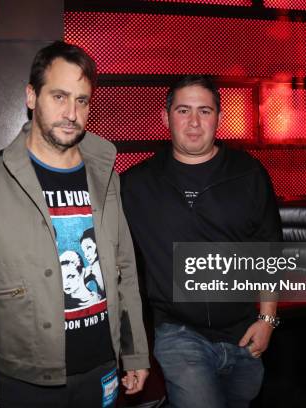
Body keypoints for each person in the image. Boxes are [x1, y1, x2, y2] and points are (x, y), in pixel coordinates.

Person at [0, 41, 149, 408]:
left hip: (101, 368)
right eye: (59, 96)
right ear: (31, 96)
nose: (71, 113)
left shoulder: (105, 173)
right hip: (25, 379)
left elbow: (124, 271)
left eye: (82, 100)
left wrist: (135, 352)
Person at [121, 75, 282, 408]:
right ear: (165, 118)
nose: (194, 122)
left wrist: (267, 320)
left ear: (218, 118)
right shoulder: (135, 184)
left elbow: (269, 249)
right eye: (183, 110)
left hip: (243, 334)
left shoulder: (248, 172)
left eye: (204, 111)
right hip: (179, 333)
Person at [80, 227, 104, 296]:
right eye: (84, 251)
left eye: (89, 248)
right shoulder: (91, 269)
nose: (86, 255)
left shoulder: (94, 267)